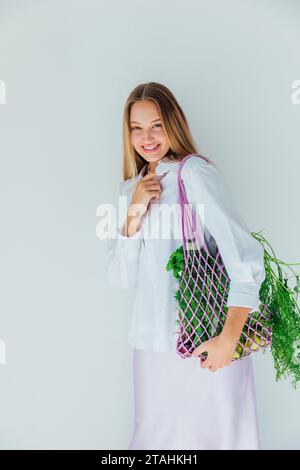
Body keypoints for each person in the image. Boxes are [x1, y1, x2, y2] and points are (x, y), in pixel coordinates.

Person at [105, 81, 265, 450]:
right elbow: (121, 277)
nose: (147, 137)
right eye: (136, 128)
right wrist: (134, 213)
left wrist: (229, 338)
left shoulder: (194, 175)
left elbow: (245, 257)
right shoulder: (129, 189)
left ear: (173, 123)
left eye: (156, 125)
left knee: (219, 440)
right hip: (151, 349)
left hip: (205, 339)